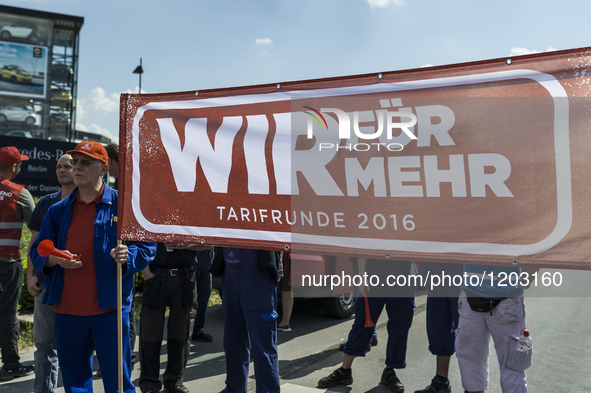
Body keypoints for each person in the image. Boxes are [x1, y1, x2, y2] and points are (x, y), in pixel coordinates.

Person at [29, 141, 156, 393]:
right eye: (75, 162)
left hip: (110, 310)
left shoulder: (125, 205)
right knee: (75, 383)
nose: (77, 167)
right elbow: (36, 250)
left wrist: (128, 254)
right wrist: (55, 258)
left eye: (85, 162)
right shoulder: (57, 210)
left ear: (103, 168)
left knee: (118, 383)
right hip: (67, 311)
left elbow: (147, 247)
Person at [317, 258, 416, 393]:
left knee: (400, 327)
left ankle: (390, 372)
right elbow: (364, 246)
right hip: (374, 274)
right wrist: (362, 275)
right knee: (362, 323)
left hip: (403, 278)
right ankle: (345, 370)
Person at [26, 154, 75, 393]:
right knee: (44, 345)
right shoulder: (45, 203)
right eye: (58, 166)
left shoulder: (87, 203)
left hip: (77, 285)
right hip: (46, 283)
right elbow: (33, 245)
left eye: (67, 166)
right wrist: (31, 277)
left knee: (75, 345)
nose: (62, 170)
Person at [139, 242, 208, 393]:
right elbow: (140, 240)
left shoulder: (193, 217)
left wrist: (184, 246)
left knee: (181, 334)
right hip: (155, 277)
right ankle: (150, 384)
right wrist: (145, 272)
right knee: (150, 334)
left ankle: (174, 382)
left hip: (185, 278)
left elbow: (207, 244)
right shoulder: (153, 216)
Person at [210, 247, 281, 393]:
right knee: (233, 340)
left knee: (262, 343)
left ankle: (267, 390)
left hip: (258, 274)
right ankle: (234, 388)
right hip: (230, 271)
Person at [455, 264, 531, 393]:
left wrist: (525, 279)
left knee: (512, 363)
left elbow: (539, 250)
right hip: (470, 295)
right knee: (470, 361)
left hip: (507, 298)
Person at [0, 146, 35, 381]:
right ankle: (11, 365)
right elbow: (38, 230)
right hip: (7, 263)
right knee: (7, 314)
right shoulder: (19, 193)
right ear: (14, 166)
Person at [414, 262, 462, 393]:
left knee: (466, 327)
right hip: (436, 264)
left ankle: (472, 386)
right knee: (439, 324)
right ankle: (441, 380)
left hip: (461, 264)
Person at [191, 246, 214, 342]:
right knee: (188, 295)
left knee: (204, 294)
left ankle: (196, 330)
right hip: (191, 256)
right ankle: (183, 333)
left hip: (207, 259)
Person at [277, 251, 293, 332]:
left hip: (283, 253)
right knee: (287, 287)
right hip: (285, 252)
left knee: (286, 287)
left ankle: (285, 322)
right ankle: (285, 323)